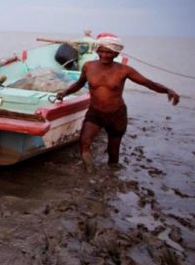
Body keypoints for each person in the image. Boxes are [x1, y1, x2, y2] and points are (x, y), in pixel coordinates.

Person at [56, 33, 179, 171]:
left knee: (113, 153)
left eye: (109, 53)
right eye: (101, 51)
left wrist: (168, 90)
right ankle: (89, 173)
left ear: (116, 54)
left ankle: (112, 175)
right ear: (97, 51)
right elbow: (79, 84)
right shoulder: (88, 66)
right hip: (95, 113)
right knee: (84, 142)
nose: (104, 55)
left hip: (117, 115)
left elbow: (148, 83)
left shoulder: (123, 70)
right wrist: (65, 93)